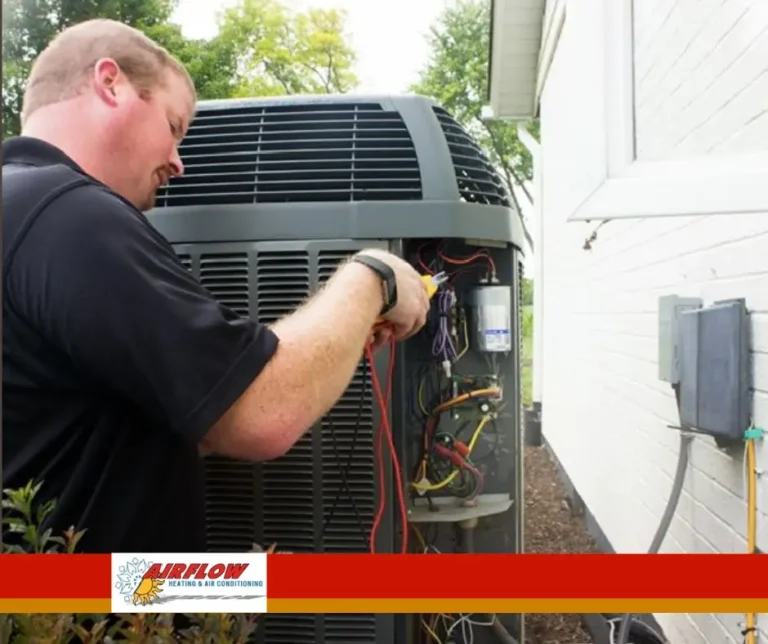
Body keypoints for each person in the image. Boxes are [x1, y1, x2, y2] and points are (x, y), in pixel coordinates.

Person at [2, 18, 430, 554]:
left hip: (52, 602)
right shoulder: (68, 216)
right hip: (110, 612)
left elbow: (100, 430)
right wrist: (375, 276)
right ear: (110, 83)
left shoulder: (18, 211)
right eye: (175, 126)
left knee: (286, 590)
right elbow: (263, 417)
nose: (179, 163)